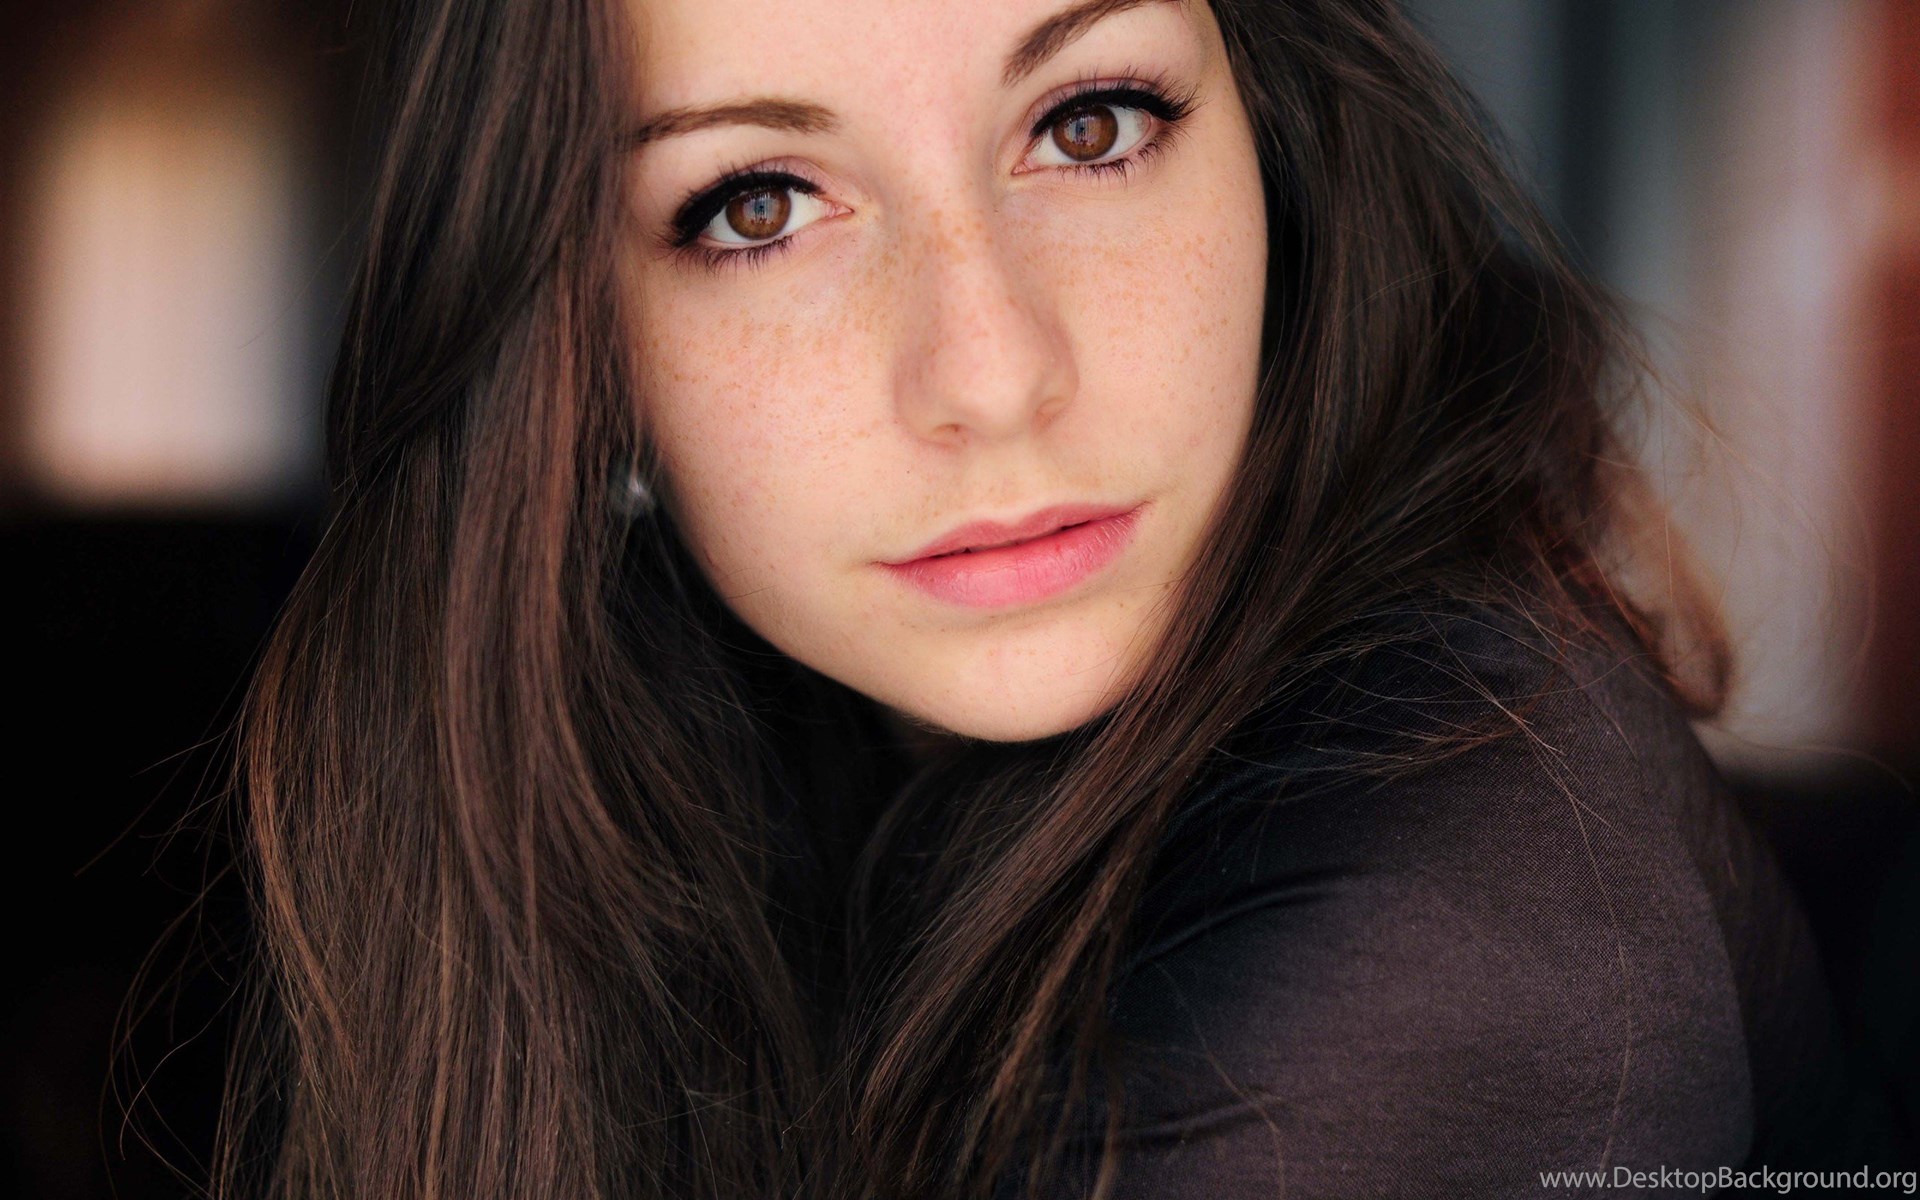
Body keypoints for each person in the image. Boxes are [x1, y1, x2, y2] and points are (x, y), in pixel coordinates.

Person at [209, 0, 1903, 1197]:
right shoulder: (658, 794)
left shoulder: (1429, 919)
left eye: (1090, 124)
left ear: (1280, 148)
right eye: (761, 205)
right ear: (576, 351)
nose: (994, 371)